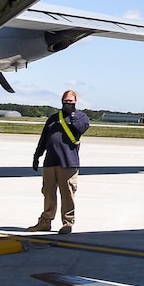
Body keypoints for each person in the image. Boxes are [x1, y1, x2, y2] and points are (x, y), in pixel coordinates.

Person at [30, 90, 90, 234]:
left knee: (67, 193)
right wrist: (37, 155)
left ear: (75, 101)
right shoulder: (53, 118)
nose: (67, 103)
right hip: (50, 161)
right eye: (65, 101)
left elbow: (80, 129)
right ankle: (45, 221)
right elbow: (44, 138)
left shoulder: (82, 117)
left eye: (70, 101)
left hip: (68, 162)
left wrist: (72, 115)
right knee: (48, 193)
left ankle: (67, 223)